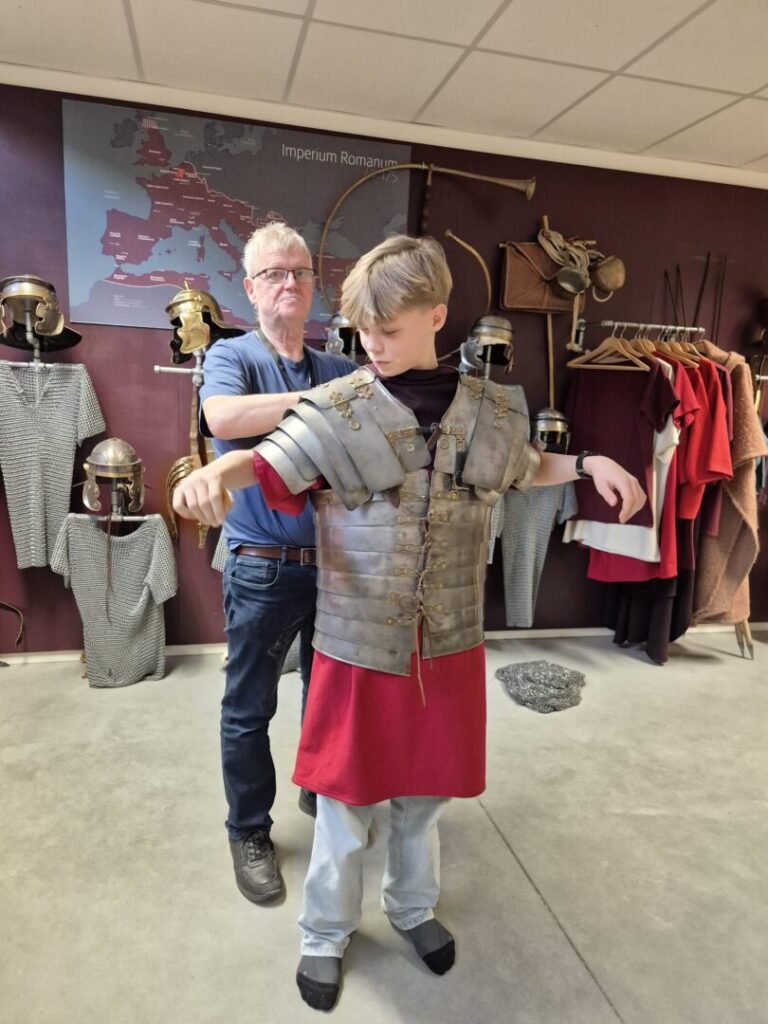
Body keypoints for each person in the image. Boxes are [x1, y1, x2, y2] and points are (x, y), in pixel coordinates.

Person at [175, 235, 646, 1008]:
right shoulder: (340, 405)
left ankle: (411, 908)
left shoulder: (491, 407)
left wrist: (590, 464)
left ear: (437, 315)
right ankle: (325, 932)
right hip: (356, 643)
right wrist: (218, 471)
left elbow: (523, 466)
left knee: (425, 799)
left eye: (388, 330)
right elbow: (267, 463)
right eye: (363, 331)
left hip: (448, 641)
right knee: (344, 805)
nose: (372, 345)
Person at [199, 222, 356, 905]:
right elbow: (223, 419)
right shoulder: (232, 355)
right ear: (250, 287)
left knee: (329, 696)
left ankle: (319, 788)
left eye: (299, 271)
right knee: (249, 706)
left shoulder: (338, 367)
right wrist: (315, 405)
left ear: (313, 284)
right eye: (274, 273)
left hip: (337, 566)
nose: (289, 282)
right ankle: (249, 831)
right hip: (262, 565)